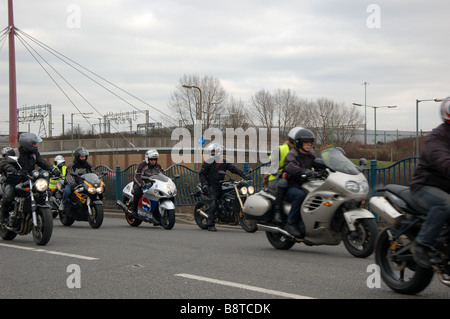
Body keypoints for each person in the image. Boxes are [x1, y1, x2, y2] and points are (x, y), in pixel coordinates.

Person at [411, 97, 450, 268]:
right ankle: (422, 243)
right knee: (447, 204)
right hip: (425, 186)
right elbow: (442, 159)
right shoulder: (437, 137)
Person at [0, 133, 59, 224]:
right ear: (26, 143)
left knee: (43, 191)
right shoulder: (14, 152)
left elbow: (42, 162)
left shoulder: (34, 154)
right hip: (14, 180)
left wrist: (52, 169)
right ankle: (3, 215)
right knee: (9, 195)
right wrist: (9, 168)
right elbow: (3, 162)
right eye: (34, 144)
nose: (36, 146)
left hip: (30, 179)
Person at [199, 143, 250, 231]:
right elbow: (201, 174)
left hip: (221, 184)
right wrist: (205, 184)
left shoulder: (224, 162)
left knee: (232, 194)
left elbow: (234, 169)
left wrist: (244, 175)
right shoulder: (207, 163)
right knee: (213, 203)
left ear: (218, 151)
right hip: (211, 185)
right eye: (211, 151)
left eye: (213, 151)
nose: (212, 153)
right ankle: (211, 224)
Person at [283, 128, 318, 238]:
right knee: (300, 195)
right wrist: (304, 171)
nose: (309, 144)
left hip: (306, 184)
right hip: (291, 186)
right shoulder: (292, 154)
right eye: (306, 142)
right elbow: (290, 166)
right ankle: (291, 223)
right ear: (298, 143)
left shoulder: (311, 154)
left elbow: (319, 162)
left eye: (310, 142)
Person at [265, 127, 303, 223]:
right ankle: (278, 213)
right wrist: (282, 173)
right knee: (283, 184)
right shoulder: (279, 149)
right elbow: (271, 168)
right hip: (276, 179)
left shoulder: (302, 151)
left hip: (294, 180)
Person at [132, 149, 165, 222]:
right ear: (147, 159)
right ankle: (134, 210)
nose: (153, 161)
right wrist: (142, 185)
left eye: (155, 160)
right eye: (151, 160)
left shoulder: (158, 166)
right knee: (138, 192)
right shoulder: (142, 165)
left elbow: (163, 175)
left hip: (153, 184)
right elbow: (137, 176)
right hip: (141, 183)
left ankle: (155, 214)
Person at [59, 147, 94, 212]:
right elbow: (69, 175)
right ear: (77, 157)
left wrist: (96, 180)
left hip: (84, 183)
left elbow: (93, 173)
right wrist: (72, 184)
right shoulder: (72, 165)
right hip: (72, 183)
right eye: (81, 157)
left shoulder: (89, 165)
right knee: (67, 191)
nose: (83, 158)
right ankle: (63, 203)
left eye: (84, 157)